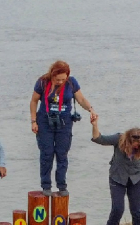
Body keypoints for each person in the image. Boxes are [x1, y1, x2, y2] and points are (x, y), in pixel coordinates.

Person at [30, 60, 97, 197]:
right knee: (46, 154)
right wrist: (33, 121)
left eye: (63, 79)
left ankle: (61, 185)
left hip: (64, 123)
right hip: (45, 122)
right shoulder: (42, 82)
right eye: (57, 79)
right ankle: (46, 185)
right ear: (52, 75)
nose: (60, 82)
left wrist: (91, 109)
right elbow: (34, 101)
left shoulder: (71, 83)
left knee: (62, 154)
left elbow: (81, 99)